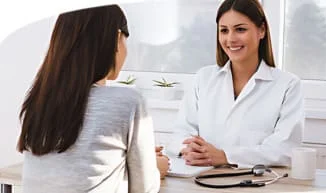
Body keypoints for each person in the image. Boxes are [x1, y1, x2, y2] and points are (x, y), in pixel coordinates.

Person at [17, 5, 168, 193]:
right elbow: (143, 189)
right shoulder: (128, 102)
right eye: (125, 41)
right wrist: (154, 168)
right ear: (115, 39)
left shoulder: (38, 102)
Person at [169, 0, 304, 168]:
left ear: (261, 30)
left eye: (240, 29)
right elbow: (181, 131)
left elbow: (284, 149)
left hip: (257, 183)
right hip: (202, 177)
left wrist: (225, 156)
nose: (231, 39)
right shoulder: (203, 78)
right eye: (224, 30)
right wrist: (189, 150)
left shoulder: (288, 85)